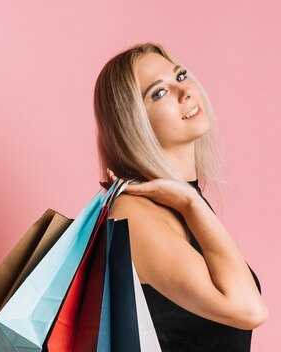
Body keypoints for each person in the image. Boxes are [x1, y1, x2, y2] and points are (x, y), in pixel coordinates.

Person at [95, 42, 268, 351]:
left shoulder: (177, 201)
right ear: (134, 124)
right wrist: (190, 203)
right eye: (158, 93)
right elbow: (249, 310)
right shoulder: (133, 213)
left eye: (180, 76)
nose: (185, 91)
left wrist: (189, 201)